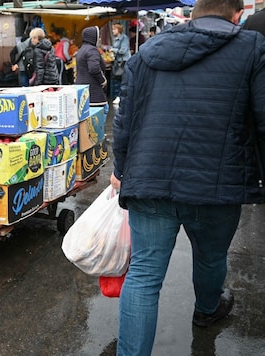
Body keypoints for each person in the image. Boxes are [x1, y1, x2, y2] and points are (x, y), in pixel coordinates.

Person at [110, 0, 265, 354]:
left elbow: (124, 122)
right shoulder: (252, 47)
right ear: (237, 14)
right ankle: (207, 310)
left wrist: (121, 170)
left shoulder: (149, 49)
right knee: (211, 258)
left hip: (150, 181)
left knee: (145, 275)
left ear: (194, 12)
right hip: (217, 183)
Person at [75, 26, 108, 107]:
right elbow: (94, 68)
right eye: (98, 36)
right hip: (93, 93)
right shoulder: (92, 50)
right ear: (93, 37)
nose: (100, 39)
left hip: (82, 92)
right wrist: (103, 81)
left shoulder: (82, 49)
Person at [109, 23, 130, 100]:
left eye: (114, 29)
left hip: (123, 62)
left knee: (122, 79)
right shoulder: (116, 38)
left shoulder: (124, 38)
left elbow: (123, 51)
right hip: (118, 62)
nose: (113, 31)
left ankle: (121, 96)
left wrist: (113, 50)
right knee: (118, 78)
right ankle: (118, 96)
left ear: (119, 30)